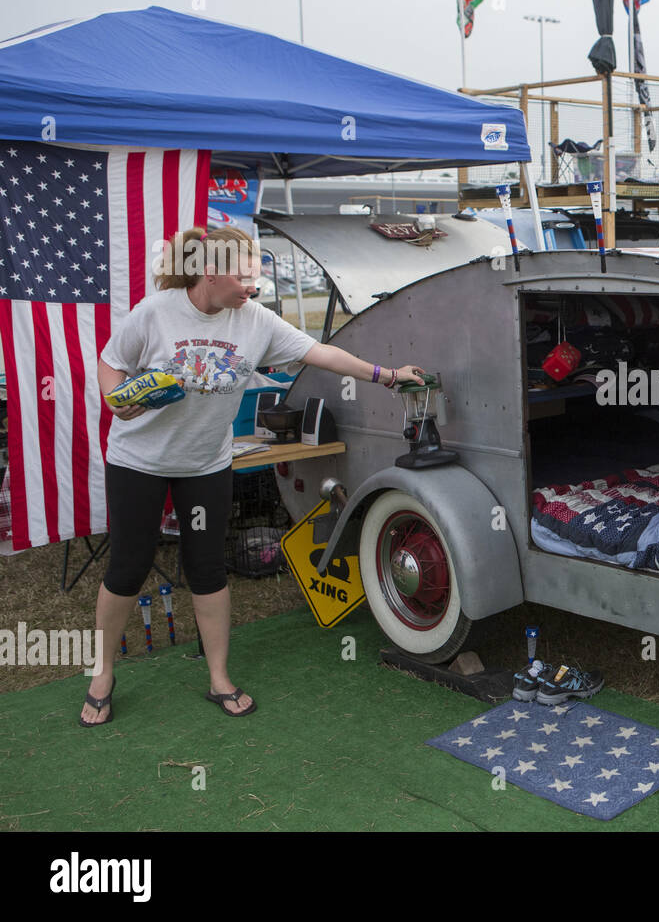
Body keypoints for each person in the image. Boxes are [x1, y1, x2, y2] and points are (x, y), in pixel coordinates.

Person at [80, 226, 423, 725]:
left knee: (207, 569)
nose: (252, 286)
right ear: (208, 272)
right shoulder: (155, 313)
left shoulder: (255, 320)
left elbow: (319, 353)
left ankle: (218, 677)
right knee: (128, 569)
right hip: (139, 463)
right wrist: (117, 400)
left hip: (205, 465)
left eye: (255, 275)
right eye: (243, 277)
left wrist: (388, 376)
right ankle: (103, 673)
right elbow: (110, 363)